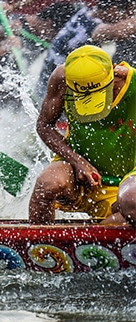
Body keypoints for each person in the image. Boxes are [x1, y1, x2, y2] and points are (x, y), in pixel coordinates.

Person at [29, 45, 136, 227]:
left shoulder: (131, 81)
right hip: (80, 174)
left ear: (113, 76)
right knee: (46, 186)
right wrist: (78, 162)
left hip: (129, 177)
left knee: (131, 201)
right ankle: (39, 248)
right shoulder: (62, 78)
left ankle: (91, 243)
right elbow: (44, 125)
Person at [37, 0, 136, 100]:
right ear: (113, 9)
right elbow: (117, 32)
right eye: (128, 13)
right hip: (59, 86)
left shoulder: (85, 12)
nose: (127, 17)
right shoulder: (93, 26)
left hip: (48, 77)